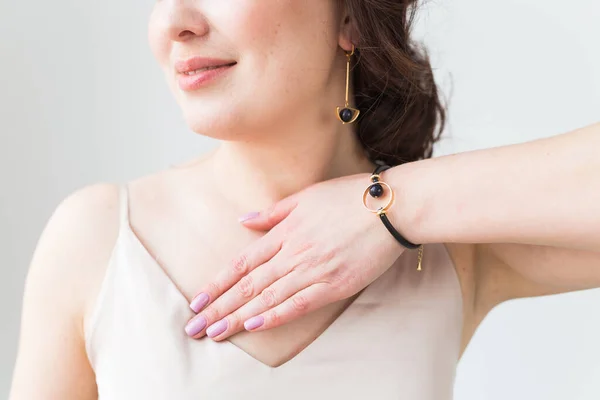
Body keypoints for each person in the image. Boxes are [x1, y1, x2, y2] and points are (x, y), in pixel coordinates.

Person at [9, 0, 600, 399]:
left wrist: (392, 208)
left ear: (349, 18)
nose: (174, 23)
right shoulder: (98, 238)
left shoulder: (450, 251)